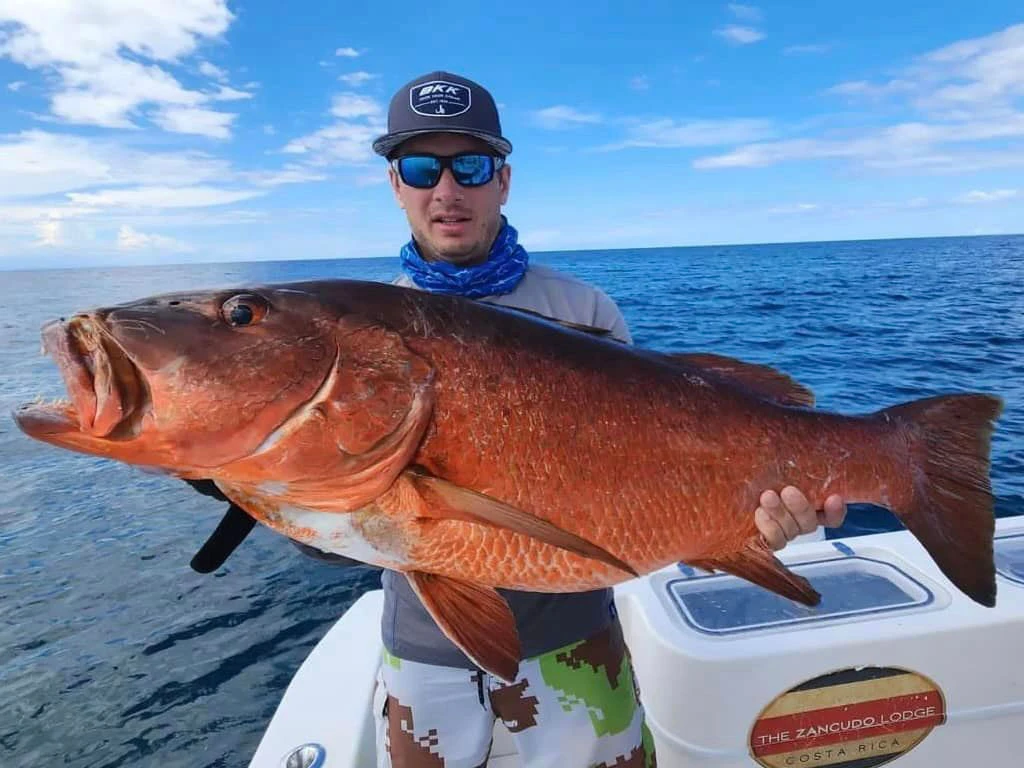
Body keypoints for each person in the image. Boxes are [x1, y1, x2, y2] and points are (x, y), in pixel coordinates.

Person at [189, 70, 847, 768]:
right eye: (421, 167)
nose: (447, 190)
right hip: (424, 651)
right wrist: (249, 481)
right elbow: (340, 532)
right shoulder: (349, 331)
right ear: (395, 185)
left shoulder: (584, 312)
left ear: (502, 179)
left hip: (579, 640)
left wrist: (754, 520)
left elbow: (651, 478)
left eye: (469, 166)